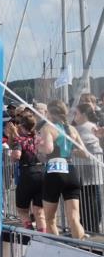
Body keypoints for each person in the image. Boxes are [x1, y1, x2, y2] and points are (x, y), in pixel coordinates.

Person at [39, 99, 86, 239]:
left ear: (50, 113)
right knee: (74, 218)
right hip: (71, 171)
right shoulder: (72, 129)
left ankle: (56, 250)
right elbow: (84, 152)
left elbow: (48, 149)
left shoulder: (48, 127)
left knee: (50, 219)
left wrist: (38, 147)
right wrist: (71, 150)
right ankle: (81, 248)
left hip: (54, 172)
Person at [9, 113, 46, 232]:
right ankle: (43, 236)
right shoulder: (38, 139)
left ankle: (30, 233)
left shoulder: (20, 140)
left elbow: (16, 156)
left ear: (22, 126)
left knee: (22, 210)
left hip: (27, 174)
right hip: (42, 173)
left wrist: (12, 156)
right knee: (39, 211)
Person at [73, 103, 103, 233]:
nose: (75, 116)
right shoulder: (86, 127)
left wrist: (71, 149)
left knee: (89, 202)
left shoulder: (85, 127)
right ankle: (91, 227)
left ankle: (90, 229)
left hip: (87, 171)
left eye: (77, 113)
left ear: (84, 115)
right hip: (88, 170)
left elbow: (82, 145)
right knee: (91, 200)